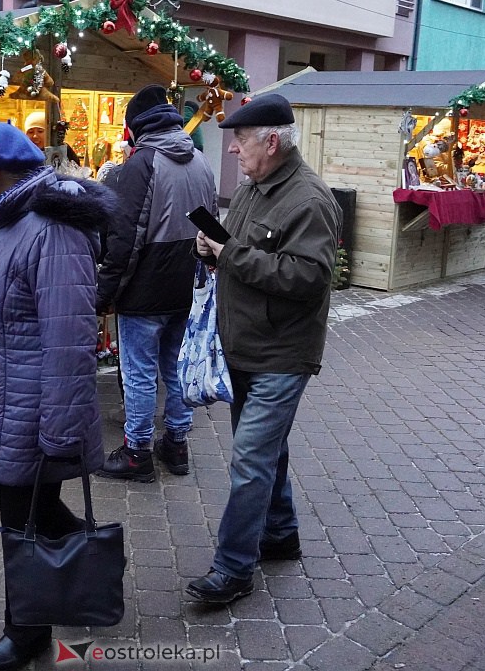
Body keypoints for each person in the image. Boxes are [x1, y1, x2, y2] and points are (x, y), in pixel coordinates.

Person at [0, 121, 115, 671]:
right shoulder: (9, 216)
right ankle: (85, 558)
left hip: (31, 403)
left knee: (18, 511)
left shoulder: (51, 228)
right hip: (6, 395)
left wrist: (61, 430)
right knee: (18, 501)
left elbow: (69, 338)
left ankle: (27, 631)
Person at [187, 93, 340, 605]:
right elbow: (243, 249)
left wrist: (230, 253)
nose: (233, 150)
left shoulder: (310, 200)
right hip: (246, 346)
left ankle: (233, 568)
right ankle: (280, 533)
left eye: (241, 140)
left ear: (271, 142)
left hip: (281, 353)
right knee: (265, 452)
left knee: (250, 459)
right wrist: (214, 249)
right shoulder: (258, 186)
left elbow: (309, 278)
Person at [96, 84, 218, 482]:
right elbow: (212, 227)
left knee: (139, 374)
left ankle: (137, 452)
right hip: (187, 287)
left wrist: (104, 294)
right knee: (176, 368)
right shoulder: (200, 161)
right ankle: (177, 445)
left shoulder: (139, 166)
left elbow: (123, 242)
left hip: (145, 291)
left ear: (136, 127)